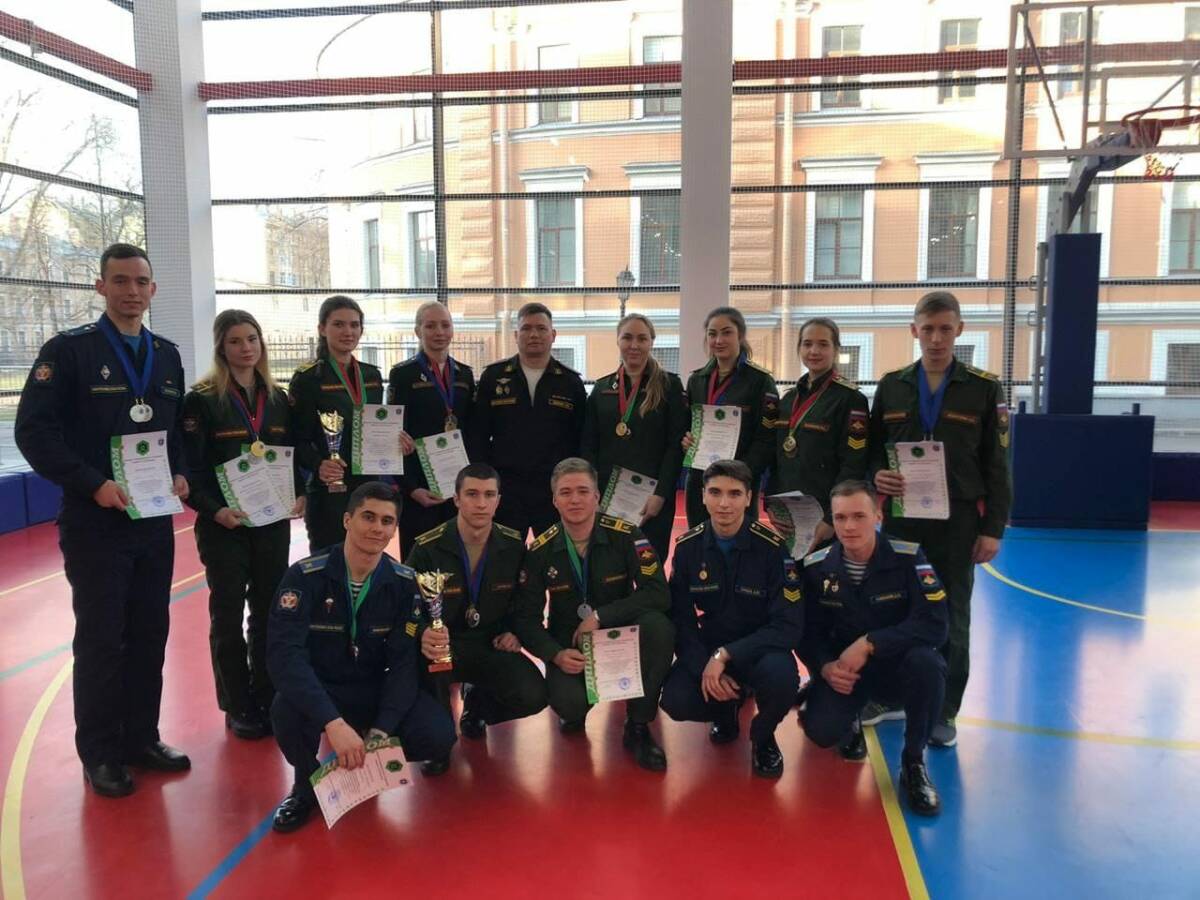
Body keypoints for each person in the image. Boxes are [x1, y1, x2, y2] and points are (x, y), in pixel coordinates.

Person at [14, 242, 191, 798]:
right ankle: (100, 753)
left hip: (153, 520)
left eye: (140, 281)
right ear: (101, 287)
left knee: (149, 633)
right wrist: (93, 483)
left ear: (153, 289)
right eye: (120, 281)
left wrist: (180, 473)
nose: (131, 291)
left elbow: (175, 432)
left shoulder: (166, 356)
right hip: (96, 521)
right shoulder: (69, 352)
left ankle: (141, 738)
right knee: (101, 640)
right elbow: (33, 432)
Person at [267, 481, 456, 833]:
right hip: (324, 688)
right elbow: (285, 656)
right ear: (347, 520)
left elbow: (402, 663)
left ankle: (370, 750)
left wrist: (383, 728)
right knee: (285, 712)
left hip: (373, 687)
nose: (377, 528)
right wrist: (332, 722)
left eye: (387, 521)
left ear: (394, 529)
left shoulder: (404, 583)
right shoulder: (305, 577)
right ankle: (305, 786)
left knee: (437, 735)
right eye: (368, 517)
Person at [868, 291, 1011, 747]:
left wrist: (993, 529)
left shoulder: (984, 388)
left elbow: (998, 465)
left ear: (959, 330)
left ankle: (944, 709)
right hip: (902, 517)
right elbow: (871, 449)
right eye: (927, 329)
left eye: (945, 329)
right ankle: (890, 694)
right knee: (892, 604)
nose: (935, 338)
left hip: (957, 521)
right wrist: (877, 475)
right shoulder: (892, 386)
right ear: (914, 330)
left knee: (952, 612)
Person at [181, 310, 305, 740]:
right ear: (221, 347)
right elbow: (191, 469)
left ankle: (267, 694)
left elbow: (292, 455)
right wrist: (215, 510)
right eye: (235, 341)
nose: (246, 348)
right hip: (224, 526)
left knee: (270, 611)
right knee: (229, 614)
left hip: (271, 522)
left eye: (252, 338)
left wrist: (300, 492)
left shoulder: (279, 398)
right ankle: (237, 704)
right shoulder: (202, 400)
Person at [797, 480, 948, 816]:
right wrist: (824, 667)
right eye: (840, 518)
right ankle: (849, 720)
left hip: (896, 669)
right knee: (821, 732)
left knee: (928, 664)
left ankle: (913, 762)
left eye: (859, 516)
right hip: (846, 674)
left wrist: (871, 643)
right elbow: (808, 633)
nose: (849, 526)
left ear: (878, 516)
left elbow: (935, 624)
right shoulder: (818, 567)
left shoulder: (908, 558)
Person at [513, 458, 674, 771]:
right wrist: (555, 654)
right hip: (572, 646)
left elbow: (658, 592)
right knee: (568, 705)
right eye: (566, 492)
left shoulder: (626, 534)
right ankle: (577, 707)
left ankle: (638, 725)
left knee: (658, 627)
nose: (575, 499)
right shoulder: (540, 550)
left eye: (583, 491)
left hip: (621, 636)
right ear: (554, 500)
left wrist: (600, 616)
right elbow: (525, 618)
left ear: (597, 496)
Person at [660, 460, 801, 778]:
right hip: (712, 643)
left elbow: (788, 625)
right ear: (702, 496)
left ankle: (763, 736)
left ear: (749, 498)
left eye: (735, 494)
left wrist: (725, 656)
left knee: (782, 680)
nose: (724, 503)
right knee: (676, 700)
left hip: (759, 647)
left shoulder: (772, 549)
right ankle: (725, 712)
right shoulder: (688, 548)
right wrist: (704, 665)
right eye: (715, 492)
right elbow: (681, 620)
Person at [404, 463, 547, 775]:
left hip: (490, 643)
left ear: (498, 501)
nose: (481, 503)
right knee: (434, 716)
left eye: (488, 495)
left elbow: (527, 600)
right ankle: (440, 740)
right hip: (443, 647)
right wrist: (423, 632)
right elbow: (403, 606)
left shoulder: (513, 545)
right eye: (471, 494)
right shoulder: (427, 547)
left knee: (533, 695)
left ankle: (477, 706)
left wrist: (515, 632)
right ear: (456, 499)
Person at [290, 295, 409, 553]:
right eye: (339, 324)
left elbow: (377, 426)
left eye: (354, 325)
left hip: (368, 486)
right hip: (330, 488)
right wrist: (318, 464)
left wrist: (396, 441)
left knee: (368, 556)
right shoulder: (308, 378)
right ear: (322, 329)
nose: (348, 332)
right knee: (329, 560)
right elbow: (297, 439)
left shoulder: (371, 374)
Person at [469, 302, 587, 539]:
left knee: (555, 554)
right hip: (507, 488)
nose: (534, 334)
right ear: (516, 335)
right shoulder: (494, 377)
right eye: (527, 328)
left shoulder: (570, 382)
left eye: (541, 328)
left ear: (553, 335)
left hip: (554, 489)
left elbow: (581, 438)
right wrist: (485, 482)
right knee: (504, 554)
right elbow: (477, 434)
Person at [581, 313, 688, 562]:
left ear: (651, 342)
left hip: (652, 499)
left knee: (650, 566)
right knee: (610, 567)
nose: (634, 345)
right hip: (608, 498)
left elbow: (675, 446)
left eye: (642, 338)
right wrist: (593, 492)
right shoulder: (601, 389)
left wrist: (661, 494)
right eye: (627, 337)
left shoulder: (669, 386)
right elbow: (589, 446)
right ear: (618, 341)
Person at [758, 317, 869, 554]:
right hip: (789, 517)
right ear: (799, 348)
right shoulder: (788, 400)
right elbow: (777, 460)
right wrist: (771, 505)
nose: (814, 351)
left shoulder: (850, 399)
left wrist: (831, 518)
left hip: (826, 517)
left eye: (823, 344)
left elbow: (854, 464)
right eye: (807, 344)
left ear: (836, 349)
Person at [388, 301, 477, 559]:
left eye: (445, 325)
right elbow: (395, 437)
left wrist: (469, 484)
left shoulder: (464, 375)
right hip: (419, 486)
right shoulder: (403, 375)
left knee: (456, 557)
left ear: (453, 329)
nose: (439, 332)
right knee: (418, 558)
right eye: (430, 326)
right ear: (418, 331)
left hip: (456, 485)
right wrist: (411, 487)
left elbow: (471, 431)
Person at [682, 306, 779, 527]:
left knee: (740, 543)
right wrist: (686, 441)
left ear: (740, 335)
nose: (719, 340)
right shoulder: (696, 381)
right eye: (712, 334)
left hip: (739, 483)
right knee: (699, 540)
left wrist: (740, 474)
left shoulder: (760, 381)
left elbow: (766, 438)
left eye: (726, 333)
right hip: (700, 481)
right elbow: (688, 427)